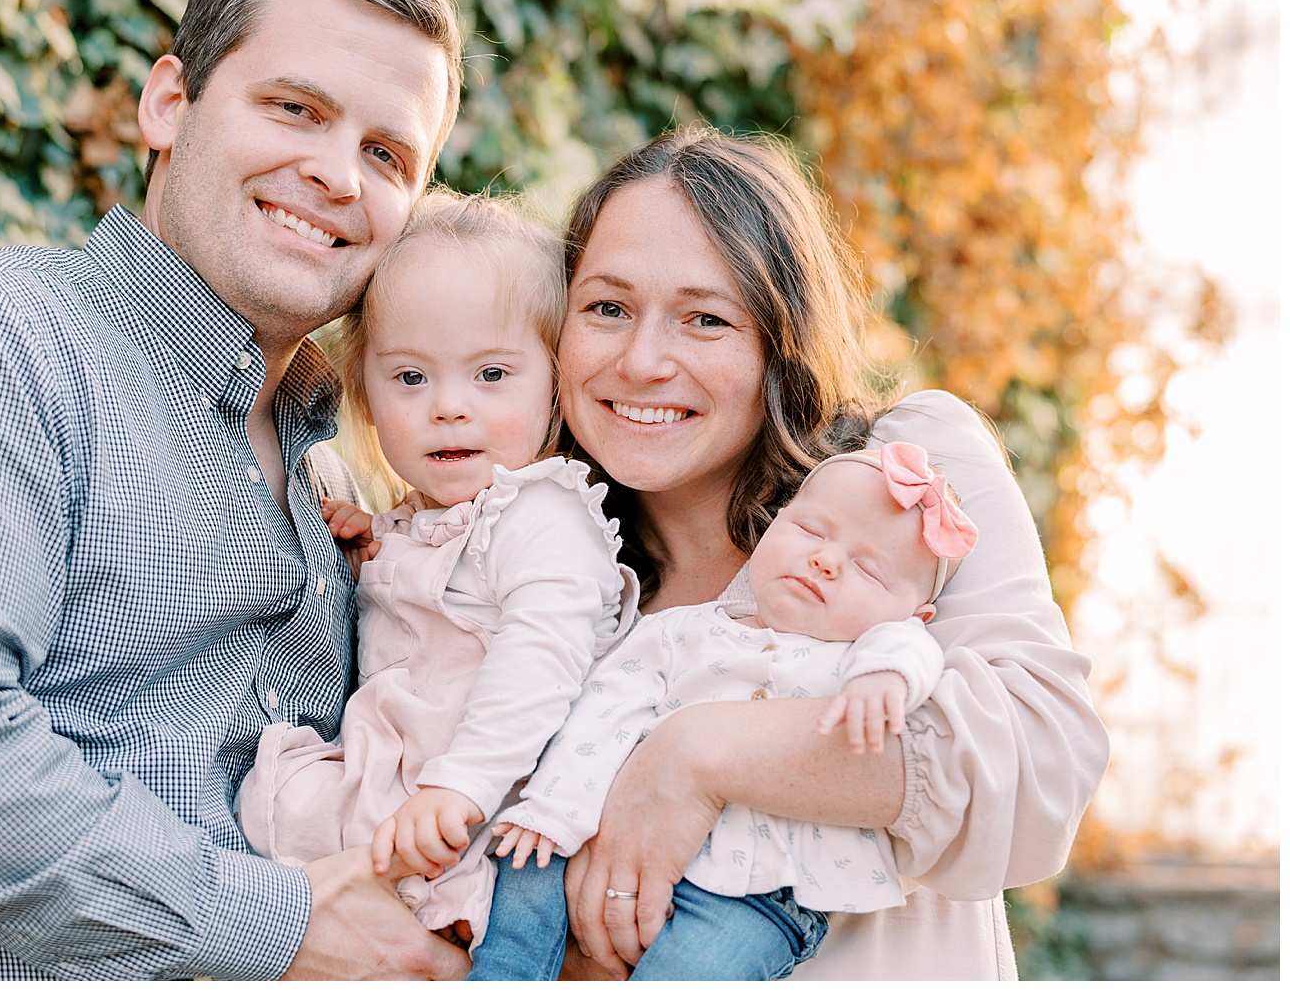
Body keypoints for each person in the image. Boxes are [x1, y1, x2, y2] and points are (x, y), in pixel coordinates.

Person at [0, 0, 473, 980]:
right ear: (167, 105)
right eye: (295, 109)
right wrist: (281, 929)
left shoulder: (339, 481)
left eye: (386, 155)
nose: (334, 172)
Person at [535, 129, 1110, 979]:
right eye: (608, 308)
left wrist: (699, 756)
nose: (643, 359)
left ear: (780, 340)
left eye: (706, 318)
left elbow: (1040, 769)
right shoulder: (546, 561)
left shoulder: (903, 484)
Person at [236, 191, 636, 949]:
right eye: (411, 379)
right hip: (399, 781)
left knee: (285, 811)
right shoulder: (422, 516)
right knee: (275, 806)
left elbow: (542, 658)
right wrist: (369, 546)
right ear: (364, 393)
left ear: (555, 383)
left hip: (478, 799)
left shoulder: (542, 515)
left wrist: (463, 784)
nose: (449, 407)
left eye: (491, 375)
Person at [469, 442, 977, 980]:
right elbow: (602, 712)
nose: (825, 561)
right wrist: (557, 811)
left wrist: (886, 678)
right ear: (774, 524)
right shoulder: (682, 631)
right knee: (525, 854)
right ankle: (505, 971)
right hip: (606, 833)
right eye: (811, 532)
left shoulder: (864, 659)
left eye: (870, 572)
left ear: (914, 614)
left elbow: (912, 650)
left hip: (759, 893)